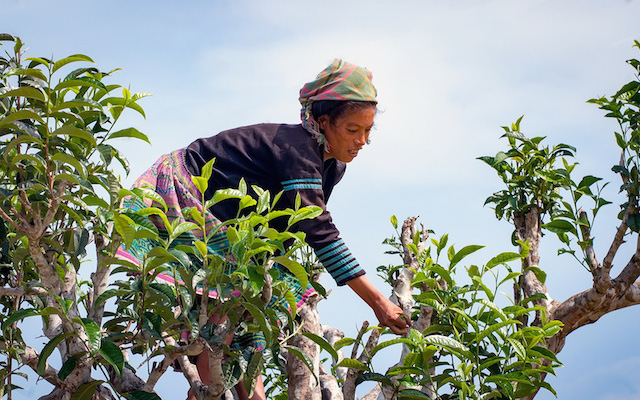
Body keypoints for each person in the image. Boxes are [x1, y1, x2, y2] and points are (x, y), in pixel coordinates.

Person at [117, 59, 410, 400]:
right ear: (323, 121)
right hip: (185, 194)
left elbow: (288, 225)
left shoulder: (332, 166)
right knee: (218, 333)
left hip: (234, 233)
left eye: (368, 131)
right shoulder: (297, 149)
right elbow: (316, 227)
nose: (362, 140)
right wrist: (377, 302)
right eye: (352, 130)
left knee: (244, 328)